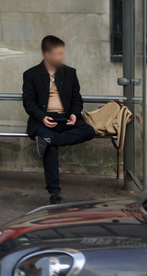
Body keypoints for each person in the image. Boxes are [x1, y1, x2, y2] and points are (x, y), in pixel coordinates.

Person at [22, 35, 96, 205]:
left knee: (89, 130)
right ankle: (54, 192)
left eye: (62, 53)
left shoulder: (70, 73)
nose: (61, 57)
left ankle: (48, 139)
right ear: (45, 54)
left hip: (65, 119)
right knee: (51, 148)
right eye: (57, 54)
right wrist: (42, 117)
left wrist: (74, 114)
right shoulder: (31, 74)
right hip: (42, 120)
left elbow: (77, 99)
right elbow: (28, 102)